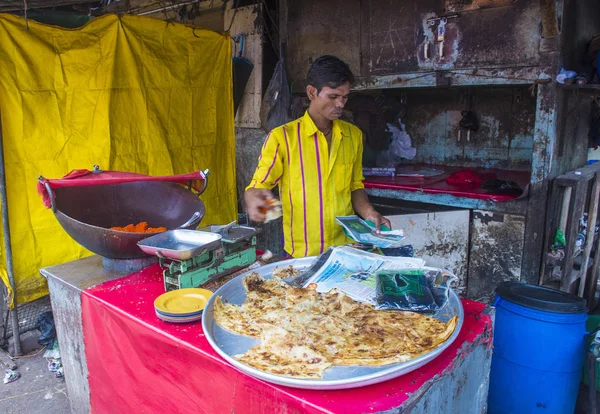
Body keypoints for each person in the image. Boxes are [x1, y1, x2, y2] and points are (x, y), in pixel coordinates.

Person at [244, 55, 391, 258]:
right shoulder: (282, 138)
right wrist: (253, 196)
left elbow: (355, 186)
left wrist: (369, 213)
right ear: (312, 92)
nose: (340, 104)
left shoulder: (353, 136)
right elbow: (259, 185)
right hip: (302, 253)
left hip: (345, 248)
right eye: (332, 97)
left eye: (345, 97)